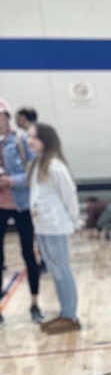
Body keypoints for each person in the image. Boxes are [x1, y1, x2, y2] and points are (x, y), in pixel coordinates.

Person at [28, 123, 81, 334]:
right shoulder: (38, 163)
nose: (30, 140)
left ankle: (71, 315)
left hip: (56, 226)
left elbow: (70, 196)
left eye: (34, 137)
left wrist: (74, 220)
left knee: (62, 271)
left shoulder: (55, 166)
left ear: (45, 140)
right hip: (43, 227)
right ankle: (64, 312)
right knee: (54, 271)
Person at [0, 98, 43, 325]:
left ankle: (35, 303)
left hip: (21, 204)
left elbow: (33, 170)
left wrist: (12, 180)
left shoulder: (20, 140)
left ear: (7, 117)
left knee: (29, 253)